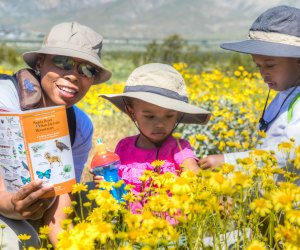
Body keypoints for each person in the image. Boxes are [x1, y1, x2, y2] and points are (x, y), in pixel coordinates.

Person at [0, 22, 111, 248]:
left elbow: (61, 203)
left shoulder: (79, 125)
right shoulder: (5, 99)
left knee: (103, 199)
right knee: (19, 242)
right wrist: (12, 205)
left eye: (87, 69)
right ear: (40, 63)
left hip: (27, 207)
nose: (73, 75)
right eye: (63, 62)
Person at [199, 5, 300, 181]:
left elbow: (292, 154)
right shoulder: (284, 94)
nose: (263, 73)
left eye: (270, 65)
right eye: (258, 66)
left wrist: (229, 161)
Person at [96, 63, 211, 211]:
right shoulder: (124, 147)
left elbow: (193, 172)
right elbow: (115, 183)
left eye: (169, 116)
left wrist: (212, 191)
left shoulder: (179, 148)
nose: (159, 124)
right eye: (150, 116)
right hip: (128, 226)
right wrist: (104, 182)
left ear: (178, 116)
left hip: (170, 227)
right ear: (132, 113)